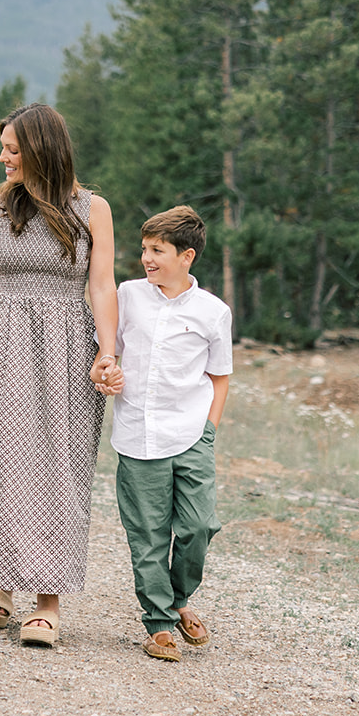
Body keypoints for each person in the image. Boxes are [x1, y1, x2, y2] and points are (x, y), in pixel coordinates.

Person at [0, 103, 117, 647]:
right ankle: (0, 584)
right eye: (2, 147)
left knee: (60, 466)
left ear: (42, 150)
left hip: (68, 342)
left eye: (13, 149)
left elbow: (101, 286)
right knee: (1, 457)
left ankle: (47, 599)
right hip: (5, 337)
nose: (2, 157)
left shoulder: (93, 210)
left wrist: (107, 350)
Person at [95, 205, 232, 662]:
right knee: (148, 535)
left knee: (199, 526)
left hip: (192, 433)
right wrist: (106, 373)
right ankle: (158, 624)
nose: (146, 259)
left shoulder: (214, 312)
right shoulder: (127, 295)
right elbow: (106, 354)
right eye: (144, 249)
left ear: (186, 256)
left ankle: (177, 598)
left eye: (157, 251)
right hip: (138, 435)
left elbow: (219, 377)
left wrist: (209, 432)